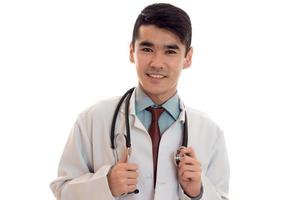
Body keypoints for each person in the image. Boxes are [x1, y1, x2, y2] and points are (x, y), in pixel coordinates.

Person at [50, 3, 230, 200]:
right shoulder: (93, 119)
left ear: (188, 57)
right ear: (131, 51)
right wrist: (105, 185)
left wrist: (197, 192)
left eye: (170, 51)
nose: (156, 63)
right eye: (146, 49)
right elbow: (62, 191)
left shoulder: (210, 132)